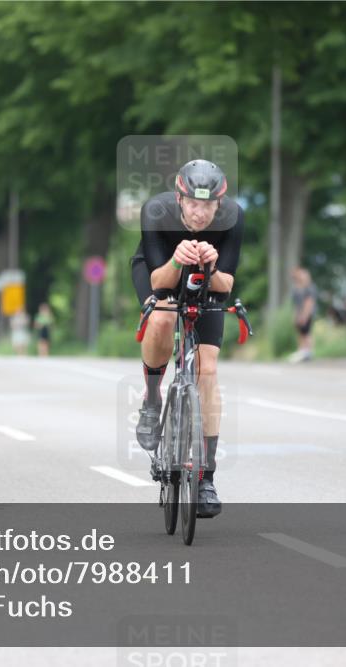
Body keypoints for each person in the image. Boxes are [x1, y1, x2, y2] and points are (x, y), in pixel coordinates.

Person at [130, 159, 243, 519]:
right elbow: (157, 281)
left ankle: (207, 477)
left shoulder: (233, 218)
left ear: (219, 205)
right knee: (162, 320)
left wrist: (211, 268)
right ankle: (151, 399)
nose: (199, 213)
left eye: (207, 206)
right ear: (179, 200)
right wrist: (179, 261)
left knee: (207, 371)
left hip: (206, 281)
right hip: (161, 271)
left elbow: (227, 285)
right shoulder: (156, 211)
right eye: (192, 204)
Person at [289, 267, 317, 362]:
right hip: (300, 313)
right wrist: (296, 315)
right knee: (300, 333)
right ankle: (302, 351)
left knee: (306, 332)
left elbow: (309, 303)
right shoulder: (296, 288)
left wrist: (304, 316)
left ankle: (308, 352)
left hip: (307, 313)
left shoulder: (309, 288)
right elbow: (296, 304)